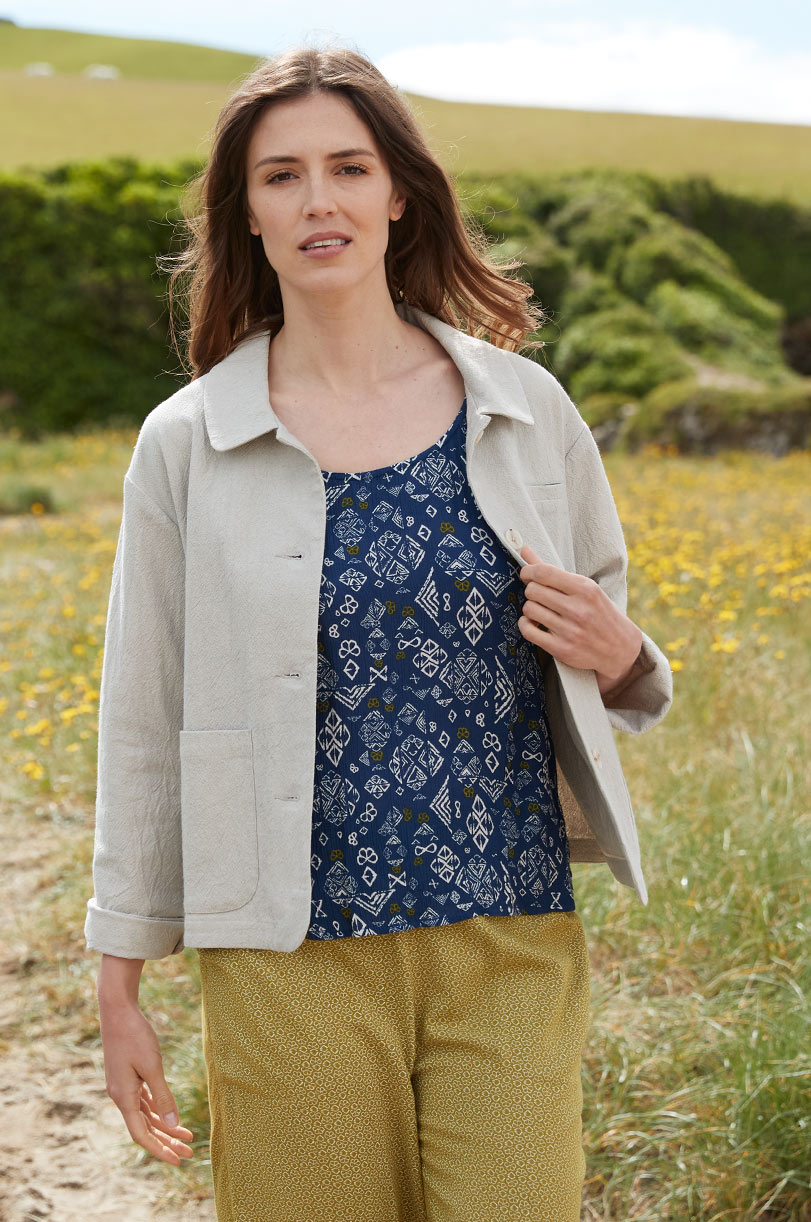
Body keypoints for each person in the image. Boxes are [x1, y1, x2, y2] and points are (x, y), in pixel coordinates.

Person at [85, 42, 673, 1222]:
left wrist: (622, 656)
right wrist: (120, 984)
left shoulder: (526, 410)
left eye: (348, 168)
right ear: (247, 213)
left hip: (507, 926)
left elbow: (613, 646)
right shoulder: (187, 443)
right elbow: (144, 716)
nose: (319, 201)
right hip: (284, 954)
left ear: (398, 192)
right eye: (282, 176)